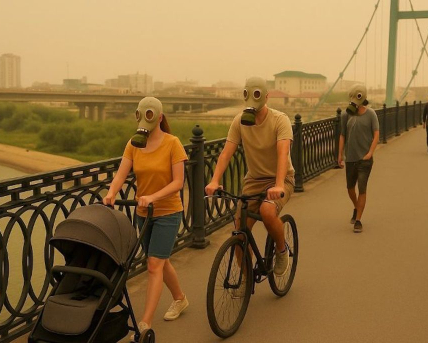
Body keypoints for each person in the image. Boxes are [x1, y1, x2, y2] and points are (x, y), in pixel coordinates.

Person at [103, 97, 189, 337]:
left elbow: (178, 182)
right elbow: (121, 173)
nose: (145, 119)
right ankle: (180, 298)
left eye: (150, 115)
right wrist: (111, 193)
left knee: (153, 265)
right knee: (160, 260)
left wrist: (153, 196)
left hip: (168, 212)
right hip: (143, 213)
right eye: (141, 115)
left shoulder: (173, 143)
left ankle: (144, 324)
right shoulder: (134, 144)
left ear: (159, 117)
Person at [205, 76, 295, 288]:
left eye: (257, 95)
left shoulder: (280, 120)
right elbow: (226, 153)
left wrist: (279, 184)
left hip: (281, 177)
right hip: (254, 180)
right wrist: (215, 180)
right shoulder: (239, 121)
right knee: (240, 232)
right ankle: (246, 280)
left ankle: (281, 250)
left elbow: (283, 153)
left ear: (266, 97)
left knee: (267, 211)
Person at [338, 84, 380, 233]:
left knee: (362, 188)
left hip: (365, 159)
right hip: (350, 158)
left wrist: (370, 153)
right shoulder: (346, 115)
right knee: (350, 188)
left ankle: (358, 220)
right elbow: (342, 135)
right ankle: (357, 207)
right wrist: (340, 154)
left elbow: (376, 134)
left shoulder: (371, 114)